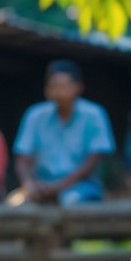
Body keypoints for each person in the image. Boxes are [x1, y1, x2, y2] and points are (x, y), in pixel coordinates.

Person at [11, 60, 114, 205]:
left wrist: (59, 187)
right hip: (41, 186)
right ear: (47, 89)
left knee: (70, 201)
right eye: (55, 86)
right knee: (14, 203)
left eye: (65, 86)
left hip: (82, 187)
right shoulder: (35, 115)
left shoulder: (94, 114)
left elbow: (92, 161)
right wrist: (28, 183)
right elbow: (22, 158)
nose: (60, 91)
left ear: (78, 87)